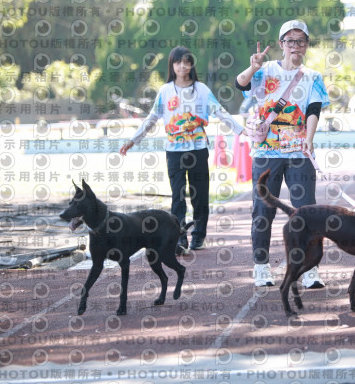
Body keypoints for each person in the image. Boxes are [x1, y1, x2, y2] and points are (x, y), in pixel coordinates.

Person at [120, 46, 244, 254]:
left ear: (191, 65)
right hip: (174, 151)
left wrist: (242, 130)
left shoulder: (201, 90)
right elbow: (152, 117)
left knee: (199, 195)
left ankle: (199, 236)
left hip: (198, 149)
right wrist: (133, 140)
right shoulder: (165, 91)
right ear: (172, 65)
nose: (182, 66)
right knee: (177, 196)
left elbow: (220, 111)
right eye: (178, 62)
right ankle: (179, 238)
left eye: (186, 62)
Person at [235, 20, 329, 288]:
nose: (295, 46)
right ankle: (261, 267)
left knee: (306, 210)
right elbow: (240, 84)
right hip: (266, 152)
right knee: (262, 210)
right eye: (290, 41)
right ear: (281, 44)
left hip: (299, 151)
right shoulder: (264, 70)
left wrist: (309, 139)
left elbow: (313, 110)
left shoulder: (313, 76)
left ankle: (310, 270)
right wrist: (253, 67)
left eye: (301, 41)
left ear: (307, 45)